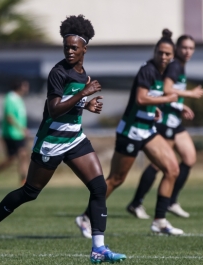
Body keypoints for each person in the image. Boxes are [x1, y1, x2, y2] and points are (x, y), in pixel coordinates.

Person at [0, 15, 126, 264]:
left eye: (74, 47)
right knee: (29, 192)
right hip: (51, 141)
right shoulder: (58, 72)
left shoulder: (83, 75)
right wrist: (84, 96)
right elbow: (54, 109)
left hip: (74, 139)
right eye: (66, 47)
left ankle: (98, 248)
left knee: (99, 187)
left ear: (84, 48)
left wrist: (87, 104)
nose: (69, 51)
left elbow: (72, 102)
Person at [75, 29, 183, 238]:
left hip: (147, 130)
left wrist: (155, 110)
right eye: (160, 52)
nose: (163, 57)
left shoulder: (161, 73)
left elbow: (146, 100)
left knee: (172, 169)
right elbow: (142, 98)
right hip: (131, 131)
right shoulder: (148, 70)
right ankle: (85, 217)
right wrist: (166, 100)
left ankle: (160, 221)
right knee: (116, 179)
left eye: (167, 54)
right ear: (155, 52)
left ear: (172, 56)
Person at [127, 34, 203, 219]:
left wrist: (180, 105)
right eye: (184, 47)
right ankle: (138, 203)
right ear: (176, 49)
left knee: (189, 158)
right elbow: (167, 89)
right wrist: (190, 94)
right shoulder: (175, 65)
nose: (188, 51)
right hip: (165, 120)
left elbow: (168, 92)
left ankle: (171, 201)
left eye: (191, 48)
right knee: (159, 165)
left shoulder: (180, 65)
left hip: (174, 119)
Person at [0, 79, 30, 188]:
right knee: (13, 158)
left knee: (22, 155)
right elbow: (9, 117)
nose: (27, 88)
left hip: (19, 134)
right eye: (25, 86)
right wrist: (21, 129)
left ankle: (23, 180)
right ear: (19, 86)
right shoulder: (10, 98)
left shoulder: (19, 99)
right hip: (11, 134)